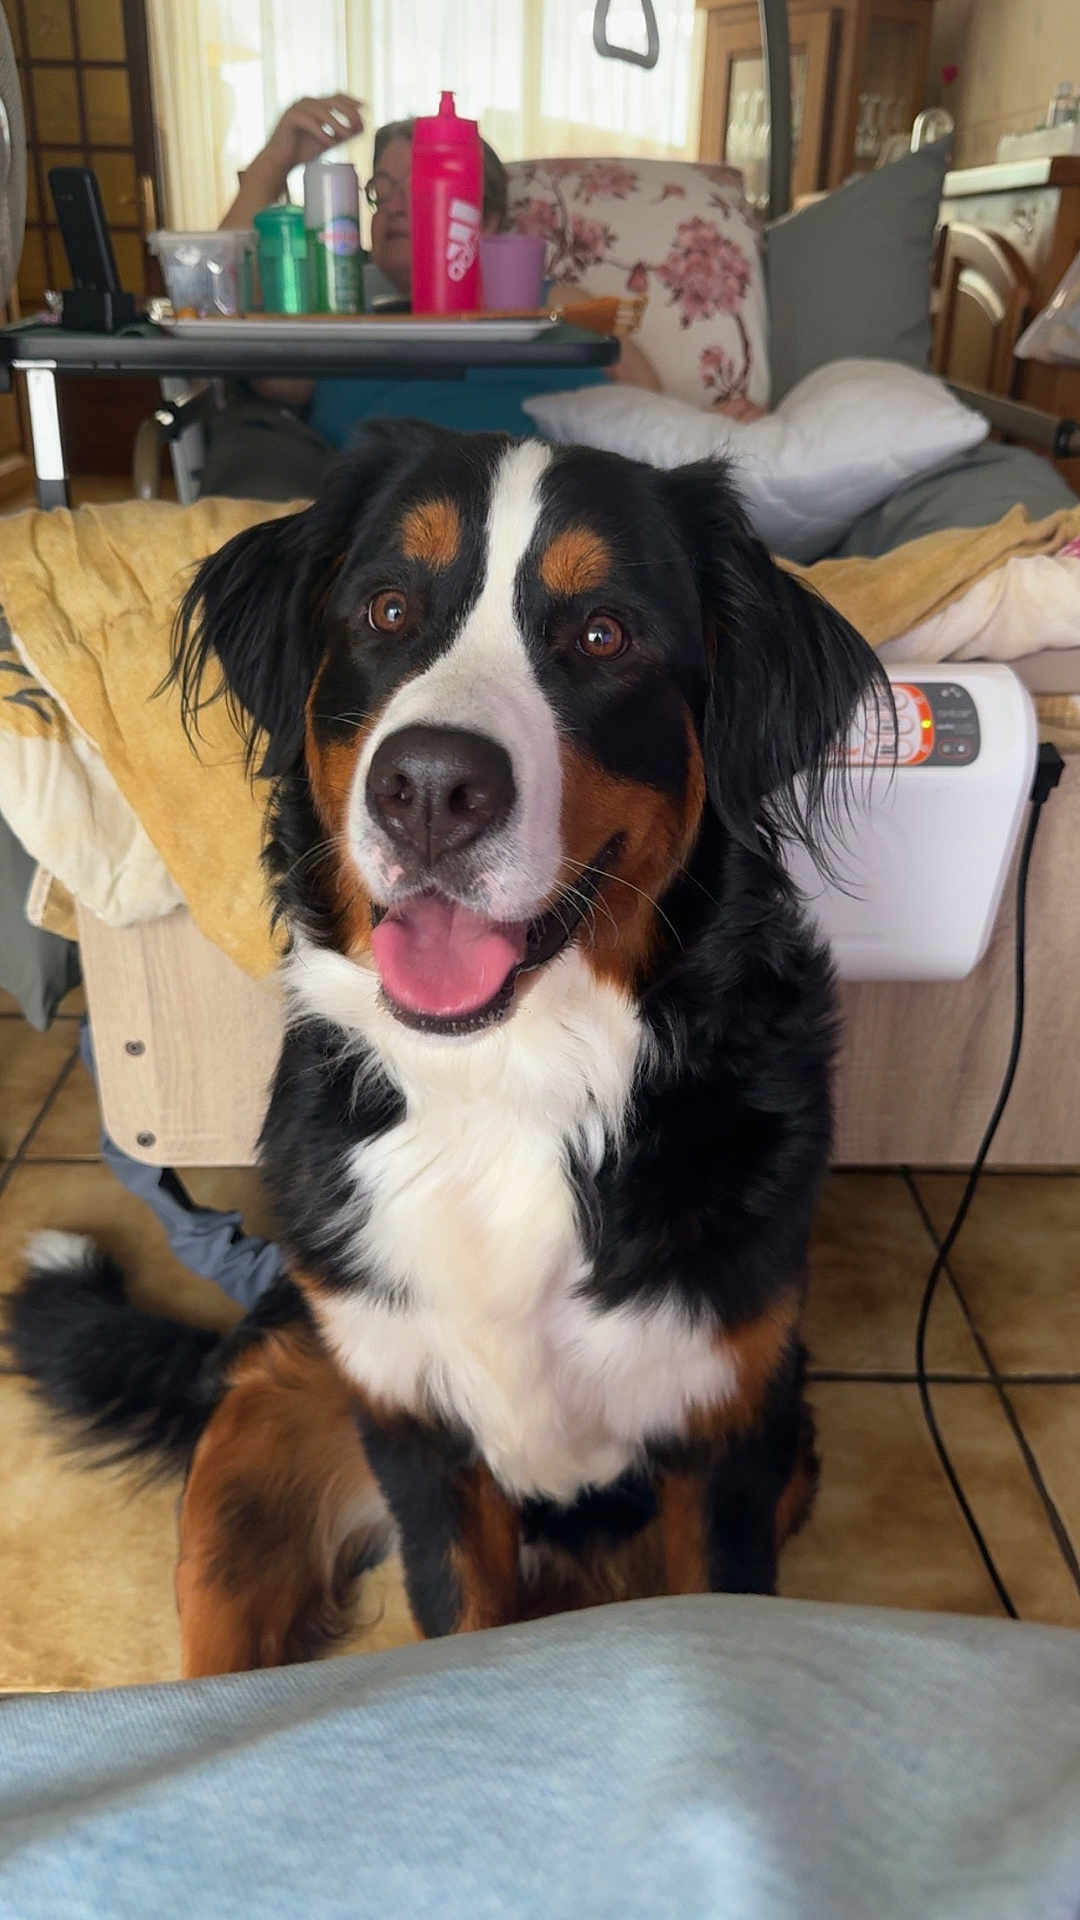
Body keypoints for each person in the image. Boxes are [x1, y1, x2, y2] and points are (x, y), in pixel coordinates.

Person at [201, 95, 657, 498]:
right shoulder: (338, 316)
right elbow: (218, 304)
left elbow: (650, 404)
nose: (395, 206)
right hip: (381, 532)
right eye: (382, 191)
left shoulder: (550, 304)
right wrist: (272, 165)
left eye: (422, 188)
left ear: (487, 219)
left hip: (542, 514)